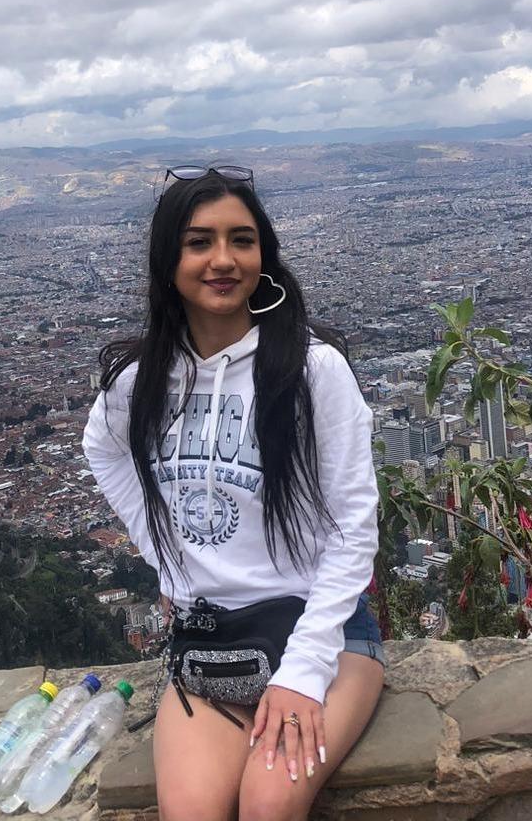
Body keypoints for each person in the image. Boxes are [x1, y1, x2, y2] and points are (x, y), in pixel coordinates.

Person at [83, 165, 383, 821]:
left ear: (263, 256)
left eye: (241, 240)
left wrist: (303, 673)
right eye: (199, 242)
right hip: (208, 641)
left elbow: (355, 525)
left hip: (324, 634)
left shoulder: (313, 370)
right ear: (168, 262)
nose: (223, 259)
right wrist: (166, 557)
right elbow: (100, 449)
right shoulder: (140, 382)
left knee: (270, 802)